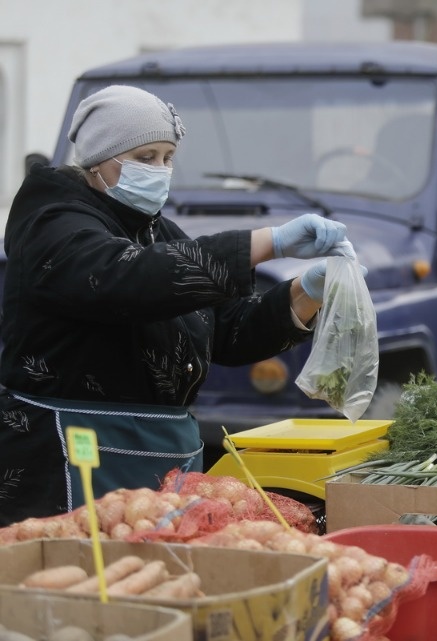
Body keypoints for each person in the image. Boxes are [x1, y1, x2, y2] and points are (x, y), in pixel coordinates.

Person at [0, 85, 359, 526]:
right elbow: (127, 277)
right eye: (145, 158)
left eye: (168, 157)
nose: (160, 170)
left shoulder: (159, 232)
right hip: (70, 460)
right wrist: (270, 242)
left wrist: (305, 292)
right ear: (96, 162)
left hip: (161, 458)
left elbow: (226, 330)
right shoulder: (52, 222)